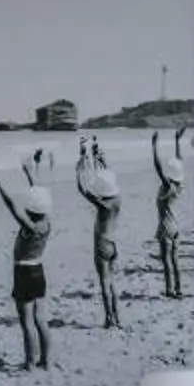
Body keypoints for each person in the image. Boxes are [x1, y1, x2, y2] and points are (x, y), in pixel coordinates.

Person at [0, 151, 56, 370]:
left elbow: (11, 204)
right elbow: (40, 195)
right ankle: (46, 360)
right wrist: (29, 172)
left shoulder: (30, 226)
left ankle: (29, 362)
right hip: (39, 270)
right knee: (40, 319)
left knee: (26, 321)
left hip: (24, 273)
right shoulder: (46, 221)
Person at [76, 138, 124, 329]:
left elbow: (82, 189)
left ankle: (109, 318)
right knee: (111, 281)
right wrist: (100, 158)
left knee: (104, 282)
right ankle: (117, 317)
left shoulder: (102, 205)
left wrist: (79, 166)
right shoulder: (116, 200)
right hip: (113, 243)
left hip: (101, 243)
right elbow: (108, 176)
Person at [152, 124, 190, 300]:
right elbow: (179, 160)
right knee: (175, 260)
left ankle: (169, 290)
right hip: (176, 225)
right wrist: (177, 140)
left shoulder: (167, 186)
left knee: (166, 260)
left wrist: (154, 146)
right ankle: (179, 288)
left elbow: (158, 168)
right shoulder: (179, 185)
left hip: (166, 226)